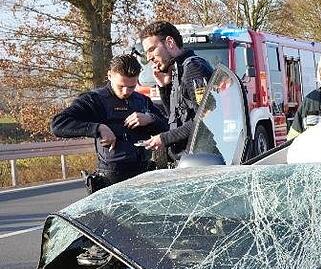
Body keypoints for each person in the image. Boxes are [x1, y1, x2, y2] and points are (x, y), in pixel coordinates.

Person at [51, 54, 167, 192]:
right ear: (110, 76)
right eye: (121, 86)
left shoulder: (143, 101)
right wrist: (97, 128)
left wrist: (151, 119)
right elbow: (58, 124)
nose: (126, 92)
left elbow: (168, 127)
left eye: (131, 86)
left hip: (144, 175)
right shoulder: (94, 100)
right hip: (111, 179)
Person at [138, 21, 213, 161]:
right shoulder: (178, 71)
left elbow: (207, 120)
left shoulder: (193, 68)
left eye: (152, 49)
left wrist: (164, 138)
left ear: (170, 42)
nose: (149, 58)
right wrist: (164, 87)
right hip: (188, 160)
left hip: (200, 160)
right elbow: (174, 118)